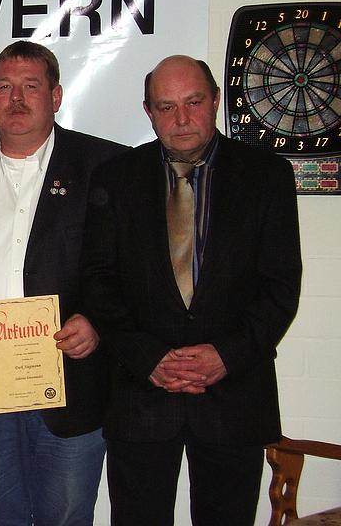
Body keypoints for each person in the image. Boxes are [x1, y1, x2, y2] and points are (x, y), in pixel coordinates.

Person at [80, 55, 302, 526]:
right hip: (141, 395)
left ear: (216, 101)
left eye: (193, 102)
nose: (181, 119)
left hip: (234, 394)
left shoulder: (267, 176)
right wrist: (148, 357)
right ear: (149, 111)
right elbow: (98, 282)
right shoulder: (116, 178)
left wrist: (226, 355)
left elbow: (281, 285)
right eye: (166, 106)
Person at [0, 40, 126, 526]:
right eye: (4, 87)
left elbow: (128, 266)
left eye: (30, 86)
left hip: (70, 375)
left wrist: (97, 320)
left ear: (56, 96)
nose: (16, 99)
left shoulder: (106, 165)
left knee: (67, 513)